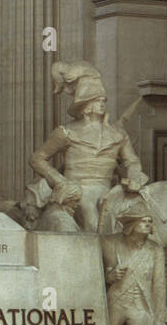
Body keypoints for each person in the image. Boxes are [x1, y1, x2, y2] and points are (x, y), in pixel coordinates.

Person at [29, 61, 147, 232]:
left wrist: (135, 174)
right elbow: (37, 159)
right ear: (84, 106)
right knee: (91, 216)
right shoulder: (66, 132)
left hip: (109, 190)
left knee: (144, 213)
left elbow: (132, 161)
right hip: (78, 191)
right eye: (96, 100)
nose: (101, 103)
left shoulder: (118, 134)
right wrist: (59, 180)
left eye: (102, 100)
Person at [102, 201, 167, 325]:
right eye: (144, 221)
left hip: (140, 305)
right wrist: (110, 275)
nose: (148, 224)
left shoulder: (155, 250)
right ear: (131, 225)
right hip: (116, 301)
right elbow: (93, 274)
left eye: (150, 221)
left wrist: (160, 318)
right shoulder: (109, 242)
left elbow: (159, 285)